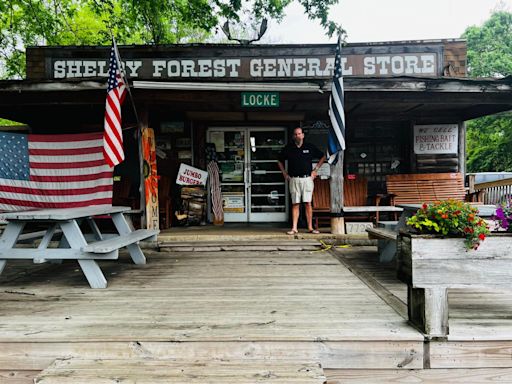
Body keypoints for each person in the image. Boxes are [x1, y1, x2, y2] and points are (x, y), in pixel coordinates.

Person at [277, 127, 326, 235]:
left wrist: (315, 170)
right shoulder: (289, 148)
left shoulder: (309, 147)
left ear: (303, 135)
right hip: (294, 179)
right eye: (295, 134)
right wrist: (284, 173)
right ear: (293, 136)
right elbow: (279, 160)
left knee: (308, 203)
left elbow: (323, 156)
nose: (297, 136)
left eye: (299, 134)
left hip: (307, 179)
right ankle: (294, 228)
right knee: (295, 203)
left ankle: (310, 227)